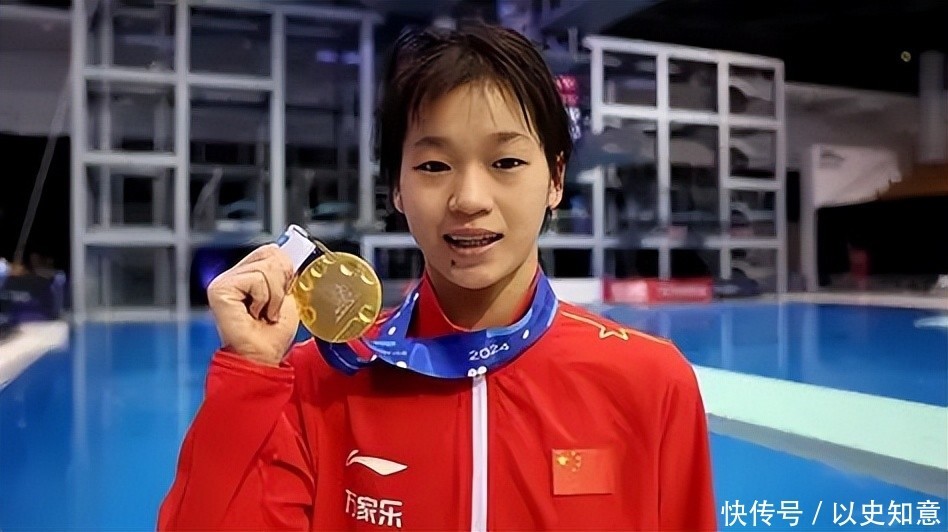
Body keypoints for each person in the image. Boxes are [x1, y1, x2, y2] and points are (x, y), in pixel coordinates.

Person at [158, 20, 716, 531]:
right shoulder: (317, 384)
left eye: (506, 163)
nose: (469, 199)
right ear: (397, 189)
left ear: (555, 179)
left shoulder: (651, 383)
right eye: (433, 166)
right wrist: (250, 375)